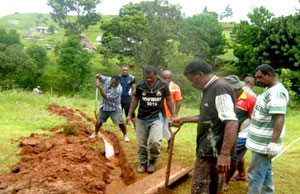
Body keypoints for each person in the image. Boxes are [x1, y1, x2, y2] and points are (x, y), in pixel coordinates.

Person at [171, 60, 238, 194]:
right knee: (210, 188)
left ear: (200, 74)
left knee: (201, 189)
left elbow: (231, 121)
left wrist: (224, 154)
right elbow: (208, 116)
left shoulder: (219, 88)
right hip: (208, 148)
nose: (191, 84)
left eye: (191, 80)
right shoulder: (208, 89)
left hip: (214, 151)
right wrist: (184, 119)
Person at [246, 64, 289, 194]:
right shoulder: (269, 89)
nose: (257, 81)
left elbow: (279, 118)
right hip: (259, 141)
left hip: (265, 144)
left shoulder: (277, 93)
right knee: (266, 171)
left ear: (269, 75)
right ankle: (267, 192)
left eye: (259, 77)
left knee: (255, 174)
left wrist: (273, 143)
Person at [126, 66, 175, 173]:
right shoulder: (140, 86)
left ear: (156, 76)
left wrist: (173, 115)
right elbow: (135, 100)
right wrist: (129, 115)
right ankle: (143, 162)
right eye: (146, 77)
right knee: (141, 142)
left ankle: (152, 161)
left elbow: (169, 99)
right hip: (142, 118)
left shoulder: (163, 85)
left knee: (155, 141)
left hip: (157, 117)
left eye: (151, 78)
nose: (148, 79)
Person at [224, 75, 257, 190]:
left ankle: (225, 182)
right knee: (238, 155)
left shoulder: (251, 100)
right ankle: (242, 174)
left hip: (243, 134)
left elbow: (254, 119)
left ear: (237, 89)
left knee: (232, 158)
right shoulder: (226, 97)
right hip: (228, 132)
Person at [89, 74, 130, 142]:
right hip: (104, 106)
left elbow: (106, 97)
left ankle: (125, 135)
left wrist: (100, 88)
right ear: (111, 80)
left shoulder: (118, 90)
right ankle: (95, 133)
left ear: (119, 82)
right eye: (112, 82)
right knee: (99, 121)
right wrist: (98, 76)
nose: (113, 84)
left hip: (114, 108)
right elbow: (101, 77)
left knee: (121, 122)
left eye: (115, 83)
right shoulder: (108, 79)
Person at [160, 70, 183, 151]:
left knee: (168, 130)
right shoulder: (158, 86)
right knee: (158, 129)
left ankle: (170, 147)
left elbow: (178, 101)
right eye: (164, 78)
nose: (166, 79)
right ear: (161, 77)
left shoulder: (175, 87)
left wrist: (175, 114)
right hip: (158, 113)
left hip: (169, 113)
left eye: (168, 78)